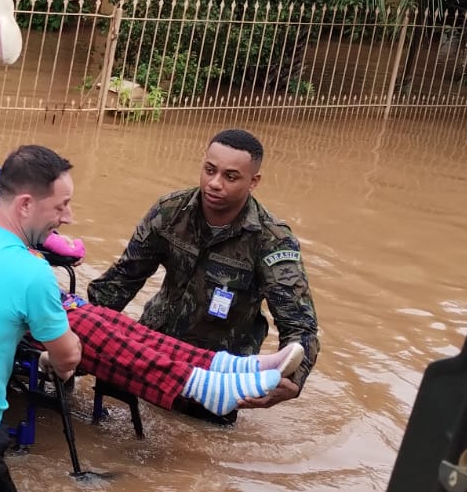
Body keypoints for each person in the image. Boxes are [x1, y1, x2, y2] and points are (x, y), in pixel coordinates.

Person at [0, 146, 300, 492]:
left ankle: (223, 368)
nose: (68, 217)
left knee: (105, 322)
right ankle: (203, 384)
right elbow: (68, 357)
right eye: (62, 206)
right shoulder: (29, 271)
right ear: (25, 205)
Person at [87, 128, 321, 425]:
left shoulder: (271, 240)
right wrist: (81, 333)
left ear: (254, 181)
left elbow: (300, 326)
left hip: (220, 376)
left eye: (230, 177)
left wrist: (293, 381)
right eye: (210, 170)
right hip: (152, 352)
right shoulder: (170, 212)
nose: (214, 183)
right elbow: (122, 280)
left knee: (196, 457)